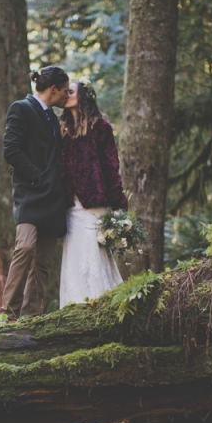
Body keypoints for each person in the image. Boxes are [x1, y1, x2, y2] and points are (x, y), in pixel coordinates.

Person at [0, 66, 70, 320]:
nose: (67, 95)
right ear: (53, 89)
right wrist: (38, 176)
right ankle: (8, 313)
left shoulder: (53, 117)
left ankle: (31, 318)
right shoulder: (21, 108)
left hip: (53, 199)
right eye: (64, 91)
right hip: (30, 194)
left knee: (43, 262)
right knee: (25, 247)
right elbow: (11, 150)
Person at [59, 78, 128, 308]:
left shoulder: (101, 127)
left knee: (94, 258)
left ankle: (104, 306)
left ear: (82, 97)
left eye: (70, 91)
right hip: (71, 208)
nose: (65, 94)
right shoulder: (63, 131)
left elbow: (111, 166)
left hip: (94, 204)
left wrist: (118, 201)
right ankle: (74, 307)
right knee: (75, 258)